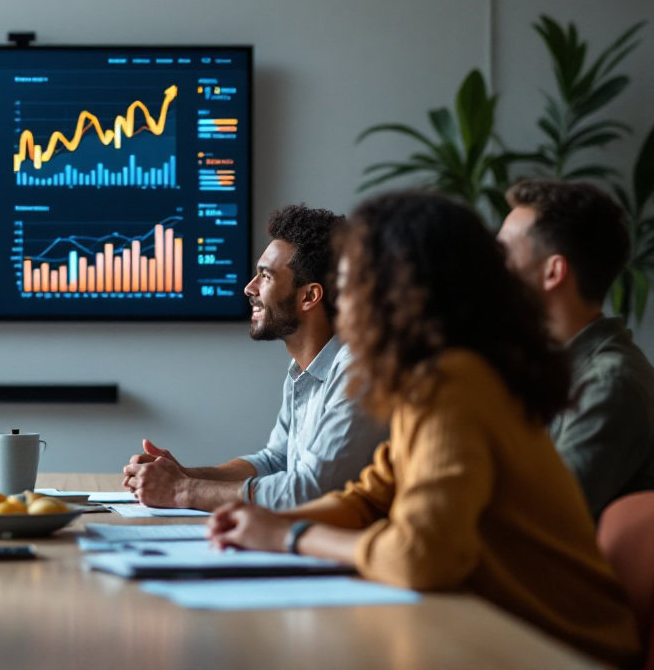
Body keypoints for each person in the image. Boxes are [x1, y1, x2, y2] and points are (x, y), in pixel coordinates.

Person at [208, 191, 641, 667]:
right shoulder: (430, 380)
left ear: (401, 294)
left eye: (352, 288)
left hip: (557, 647)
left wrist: (290, 538)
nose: (342, 310)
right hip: (494, 626)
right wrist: (269, 522)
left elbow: (419, 556)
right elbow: (370, 496)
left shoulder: (458, 382)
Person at [123, 205, 385, 511]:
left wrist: (184, 490)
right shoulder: (303, 369)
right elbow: (275, 461)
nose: (249, 288)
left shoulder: (360, 370)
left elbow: (313, 490)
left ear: (309, 297)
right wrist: (182, 475)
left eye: (266, 277)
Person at [497, 179, 654, 517]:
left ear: (553, 272)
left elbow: (538, 521)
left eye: (504, 252)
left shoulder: (612, 383)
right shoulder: (536, 369)